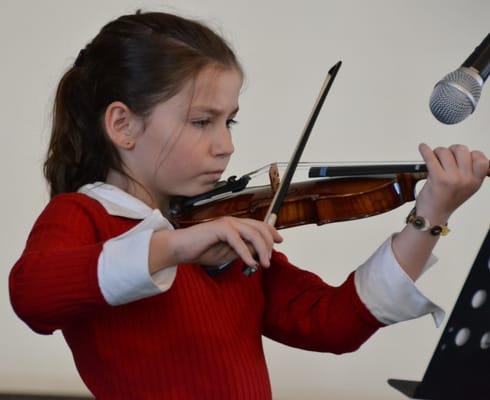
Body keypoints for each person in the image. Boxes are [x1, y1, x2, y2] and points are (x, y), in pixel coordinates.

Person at [8, 10, 488, 400]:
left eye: (229, 124)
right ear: (123, 125)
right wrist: (175, 247)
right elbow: (32, 295)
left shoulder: (221, 232)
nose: (225, 146)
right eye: (202, 122)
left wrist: (431, 214)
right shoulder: (86, 217)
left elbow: (332, 322)